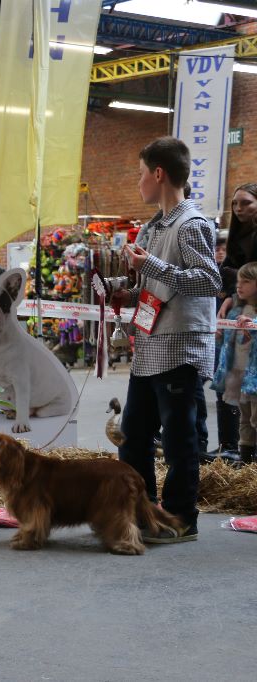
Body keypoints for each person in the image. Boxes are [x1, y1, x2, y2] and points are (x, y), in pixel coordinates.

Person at [105, 136, 220, 544]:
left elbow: (208, 281)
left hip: (180, 347)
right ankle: (144, 510)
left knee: (179, 440)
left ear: (158, 174)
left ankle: (181, 518)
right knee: (133, 436)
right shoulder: (156, 225)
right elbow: (153, 285)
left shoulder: (192, 224)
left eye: (140, 174)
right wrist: (120, 288)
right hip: (151, 347)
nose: (138, 183)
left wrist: (149, 263)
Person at [212, 261, 257, 464]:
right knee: (244, 419)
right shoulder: (237, 308)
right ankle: (246, 459)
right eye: (239, 281)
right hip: (240, 373)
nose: (239, 286)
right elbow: (230, 341)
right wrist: (221, 333)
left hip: (254, 377)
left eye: (246, 282)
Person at [219, 183, 257, 319]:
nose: (238, 208)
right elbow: (224, 271)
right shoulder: (237, 235)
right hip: (241, 303)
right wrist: (230, 297)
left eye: (246, 203)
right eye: (234, 203)